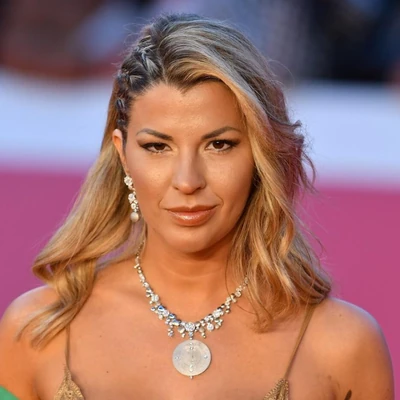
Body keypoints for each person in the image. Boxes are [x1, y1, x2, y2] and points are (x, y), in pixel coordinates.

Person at [0, 13, 394, 400]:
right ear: (123, 154)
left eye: (219, 145)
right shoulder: (38, 328)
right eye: (158, 147)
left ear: (261, 155)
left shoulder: (343, 345)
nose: (187, 181)